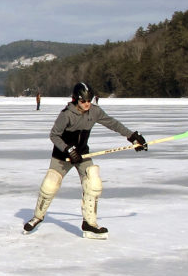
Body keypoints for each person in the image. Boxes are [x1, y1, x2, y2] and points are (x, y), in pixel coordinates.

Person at [23, 82, 148, 238]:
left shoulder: (94, 112)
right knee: (50, 184)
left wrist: (132, 136)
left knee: (93, 183)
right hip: (62, 156)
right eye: (83, 101)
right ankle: (37, 217)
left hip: (82, 155)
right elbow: (54, 135)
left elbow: (112, 123)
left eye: (89, 100)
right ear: (76, 100)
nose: (87, 104)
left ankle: (89, 224)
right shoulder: (66, 114)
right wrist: (68, 148)